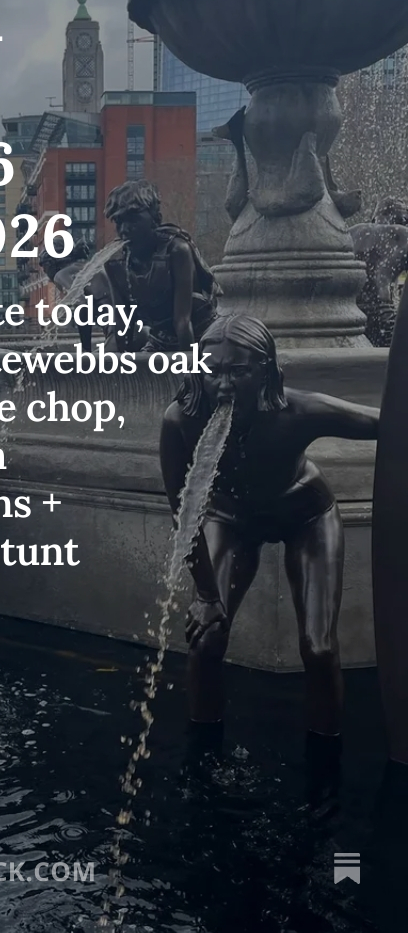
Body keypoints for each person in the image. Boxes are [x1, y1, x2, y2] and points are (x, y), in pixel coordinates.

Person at [159, 314, 379, 743]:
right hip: (231, 518)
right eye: (212, 372)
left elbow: (383, 423)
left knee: (319, 648)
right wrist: (206, 595)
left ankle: (325, 758)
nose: (224, 385)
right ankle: (201, 757)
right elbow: (184, 515)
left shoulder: (297, 411)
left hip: (305, 515)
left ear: (265, 371)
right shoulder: (181, 420)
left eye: (238, 372)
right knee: (205, 639)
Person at [100, 179, 220, 352]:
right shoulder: (115, 263)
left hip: (202, 337)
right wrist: (120, 364)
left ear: (156, 219)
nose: (125, 229)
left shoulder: (176, 250)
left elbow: (182, 321)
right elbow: (122, 325)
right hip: (160, 340)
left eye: (133, 220)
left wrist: (188, 364)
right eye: (119, 222)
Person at [350, 196, 408, 346]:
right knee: (391, 356)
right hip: (382, 313)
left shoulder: (352, 232)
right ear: (403, 219)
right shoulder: (403, 234)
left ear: (374, 217)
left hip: (350, 313)